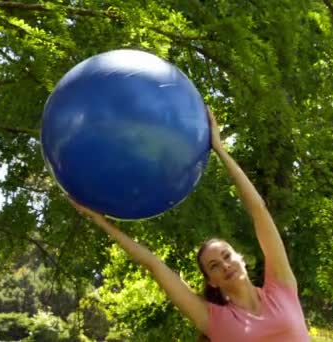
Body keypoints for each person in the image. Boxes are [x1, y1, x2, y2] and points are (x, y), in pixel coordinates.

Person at [70, 110, 310, 341]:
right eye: (214, 266)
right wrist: (101, 222)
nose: (225, 265)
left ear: (241, 257)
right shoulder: (212, 319)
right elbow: (154, 264)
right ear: (212, 281)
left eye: (227, 256)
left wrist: (220, 150)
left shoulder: (282, 288)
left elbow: (258, 209)